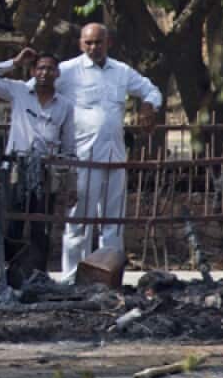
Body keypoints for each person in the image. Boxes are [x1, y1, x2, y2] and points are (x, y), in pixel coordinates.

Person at [54, 23, 163, 282]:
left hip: (115, 158)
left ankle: (110, 278)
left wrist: (148, 106)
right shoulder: (68, 71)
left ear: (108, 43)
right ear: (81, 44)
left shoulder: (121, 71)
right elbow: (38, 88)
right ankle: (71, 279)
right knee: (79, 221)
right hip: (83, 158)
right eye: (88, 43)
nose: (94, 47)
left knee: (113, 222)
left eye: (98, 42)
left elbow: (151, 90)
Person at [0, 48, 76, 287]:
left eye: (50, 68)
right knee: (14, 222)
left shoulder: (65, 106)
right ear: (32, 71)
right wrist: (14, 61)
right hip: (17, 167)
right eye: (40, 68)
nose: (44, 73)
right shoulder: (19, 91)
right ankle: (11, 275)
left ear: (57, 73)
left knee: (42, 224)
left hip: (47, 170)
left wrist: (70, 180)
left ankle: (38, 275)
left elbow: (69, 144)